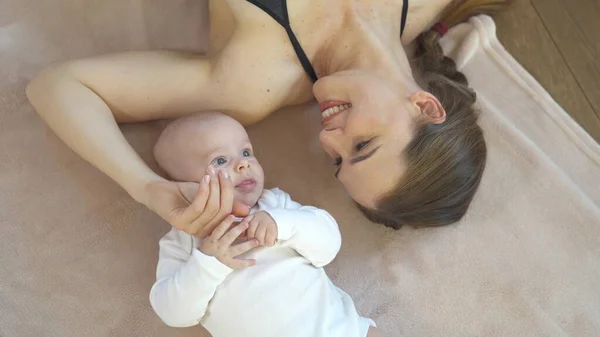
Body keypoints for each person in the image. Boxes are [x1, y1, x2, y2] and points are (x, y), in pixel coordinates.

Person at [26, 0, 510, 234]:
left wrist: (146, 187)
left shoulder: (253, 83)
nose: (329, 139)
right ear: (425, 106)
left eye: (337, 162)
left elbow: (57, 86)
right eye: (362, 145)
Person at [149, 112, 384, 337]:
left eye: (246, 152)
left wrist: (281, 223)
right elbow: (173, 313)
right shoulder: (182, 240)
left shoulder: (274, 204)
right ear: (181, 187)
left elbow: (328, 243)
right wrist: (207, 262)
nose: (243, 164)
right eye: (220, 160)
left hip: (340, 330)